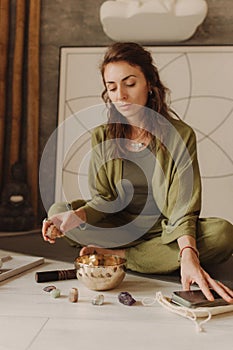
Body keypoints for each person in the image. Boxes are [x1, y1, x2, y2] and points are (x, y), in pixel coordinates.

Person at [42, 42, 233, 303]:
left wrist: (188, 252)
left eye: (129, 83)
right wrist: (75, 216)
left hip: (166, 232)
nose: (120, 95)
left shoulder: (180, 135)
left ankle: (119, 255)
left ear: (149, 84)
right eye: (112, 87)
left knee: (223, 234)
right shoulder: (102, 136)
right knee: (57, 212)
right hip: (119, 225)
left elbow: (182, 206)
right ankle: (137, 252)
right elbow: (105, 198)